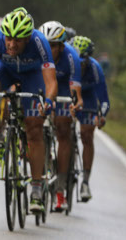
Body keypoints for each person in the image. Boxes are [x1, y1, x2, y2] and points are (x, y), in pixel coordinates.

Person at [0, 7, 57, 213]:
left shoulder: (39, 41)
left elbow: (51, 81)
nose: (11, 44)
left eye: (18, 40)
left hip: (32, 76)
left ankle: (36, 188)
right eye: (9, 38)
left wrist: (48, 101)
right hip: (6, 71)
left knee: (34, 129)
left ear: (28, 37)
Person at [39, 21, 83, 212]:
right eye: (46, 44)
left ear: (62, 46)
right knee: (33, 124)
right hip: (43, 87)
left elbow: (75, 91)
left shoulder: (71, 57)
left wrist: (75, 103)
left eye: (53, 45)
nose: (49, 49)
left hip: (64, 89)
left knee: (63, 130)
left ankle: (60, 190)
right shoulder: (37, 52)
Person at [72, 36, 110, 202]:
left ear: (88, 58)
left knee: (87, 135)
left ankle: (85, 182)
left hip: (87, 99)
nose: (79, 64)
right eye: (76, 60)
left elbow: (104, 101)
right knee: (61, 127)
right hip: (68, 94)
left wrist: (100, 116)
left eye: (82, 61)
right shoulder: (66, 62)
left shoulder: (95, 69)